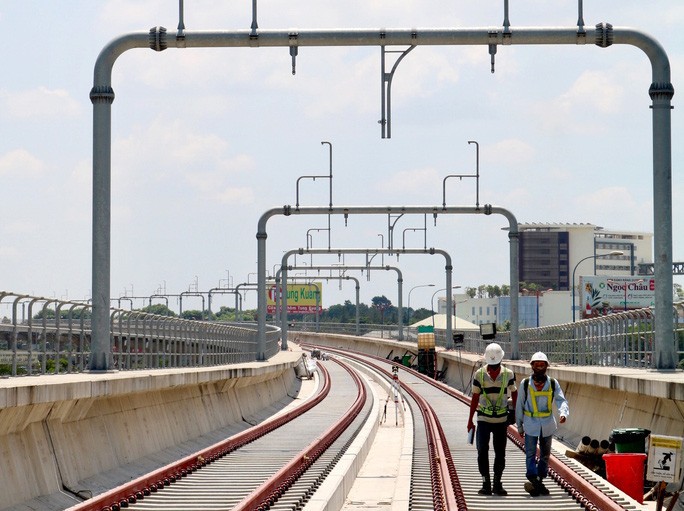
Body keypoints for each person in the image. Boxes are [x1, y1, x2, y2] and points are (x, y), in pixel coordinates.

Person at [515, 351, 570, 497]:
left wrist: (563, 413)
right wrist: (519, 426)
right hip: (530, 424)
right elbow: (519, 405)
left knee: (545, 455)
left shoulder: (552, 383)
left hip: (547, 425)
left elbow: (561, 400)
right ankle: (534, 478)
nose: (539, 367)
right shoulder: (525, 384)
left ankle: (538, 481)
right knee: (530, 453)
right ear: (532, 366)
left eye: (542, 365)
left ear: (546, 366)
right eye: (537, 364)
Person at [467, 342, 517, 496]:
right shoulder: (479, 374)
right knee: (482, 450)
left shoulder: (508, 374)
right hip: (483, 419)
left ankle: (497, 483)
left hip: (501, 421)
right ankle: (485, 482)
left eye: (496, 365)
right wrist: (470, 421)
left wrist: (516, 412)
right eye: (491, 364)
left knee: (500, 452)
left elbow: (514, 393)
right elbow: (475, 397)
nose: (494, 368)